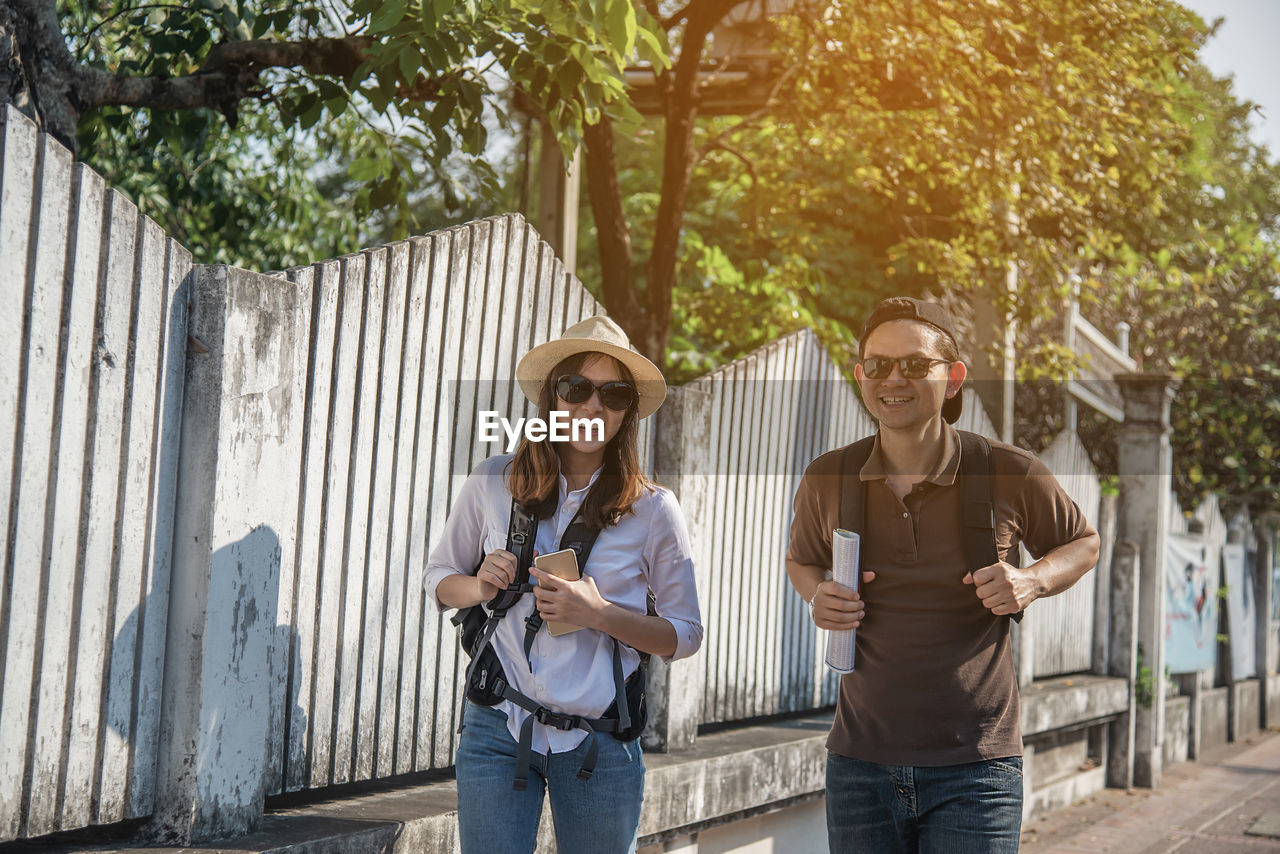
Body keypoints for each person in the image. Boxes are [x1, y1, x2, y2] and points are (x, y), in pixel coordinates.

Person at [785, 296, 1101, 853]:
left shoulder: (1010, 471)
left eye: (914, 365)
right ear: (861, 376)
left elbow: (1084, 543)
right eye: (878, 365)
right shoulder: (828, 476)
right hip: (859, 766)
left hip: (976, 770)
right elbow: (802, 559)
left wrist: (1032, 579)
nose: (893, 379)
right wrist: (818, 595)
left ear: (953, 378)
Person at [425, 315, 702, 854]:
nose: (592, 407)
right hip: (498, 725)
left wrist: (600, 614)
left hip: (602, 740)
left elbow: (685, 635)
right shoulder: (493, 480)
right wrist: (480, 586)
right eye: (576, 388)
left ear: (628, 413)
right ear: (552, 397)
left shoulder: (654, 510)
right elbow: (439, 582)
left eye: (614, 393)